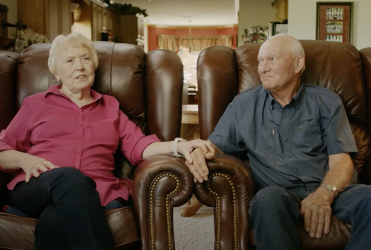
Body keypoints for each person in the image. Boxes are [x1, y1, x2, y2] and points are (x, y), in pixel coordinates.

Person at [0, 32, 215, 250]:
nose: (80, 66)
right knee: (69, 177)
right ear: (56, 71)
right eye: (70, 60)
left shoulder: (110, 107)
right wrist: (23, 159)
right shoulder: (35, 104)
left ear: (94, 66)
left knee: (53, 220)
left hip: (95, 191)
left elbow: (139, 145)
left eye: (85, 59)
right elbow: (2, 148)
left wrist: (180, 145)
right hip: (37, 185)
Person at [188, 34, 371, 250]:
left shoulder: (327, 101)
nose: (262, 68)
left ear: (298, 64)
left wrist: (324, 194)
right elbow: (215, 145)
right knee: (267, 200)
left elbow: (342, 161)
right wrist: (199, 151)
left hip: (331, 188)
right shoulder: (243, 105)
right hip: (279, 192)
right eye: (260, 61)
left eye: (271, 59)